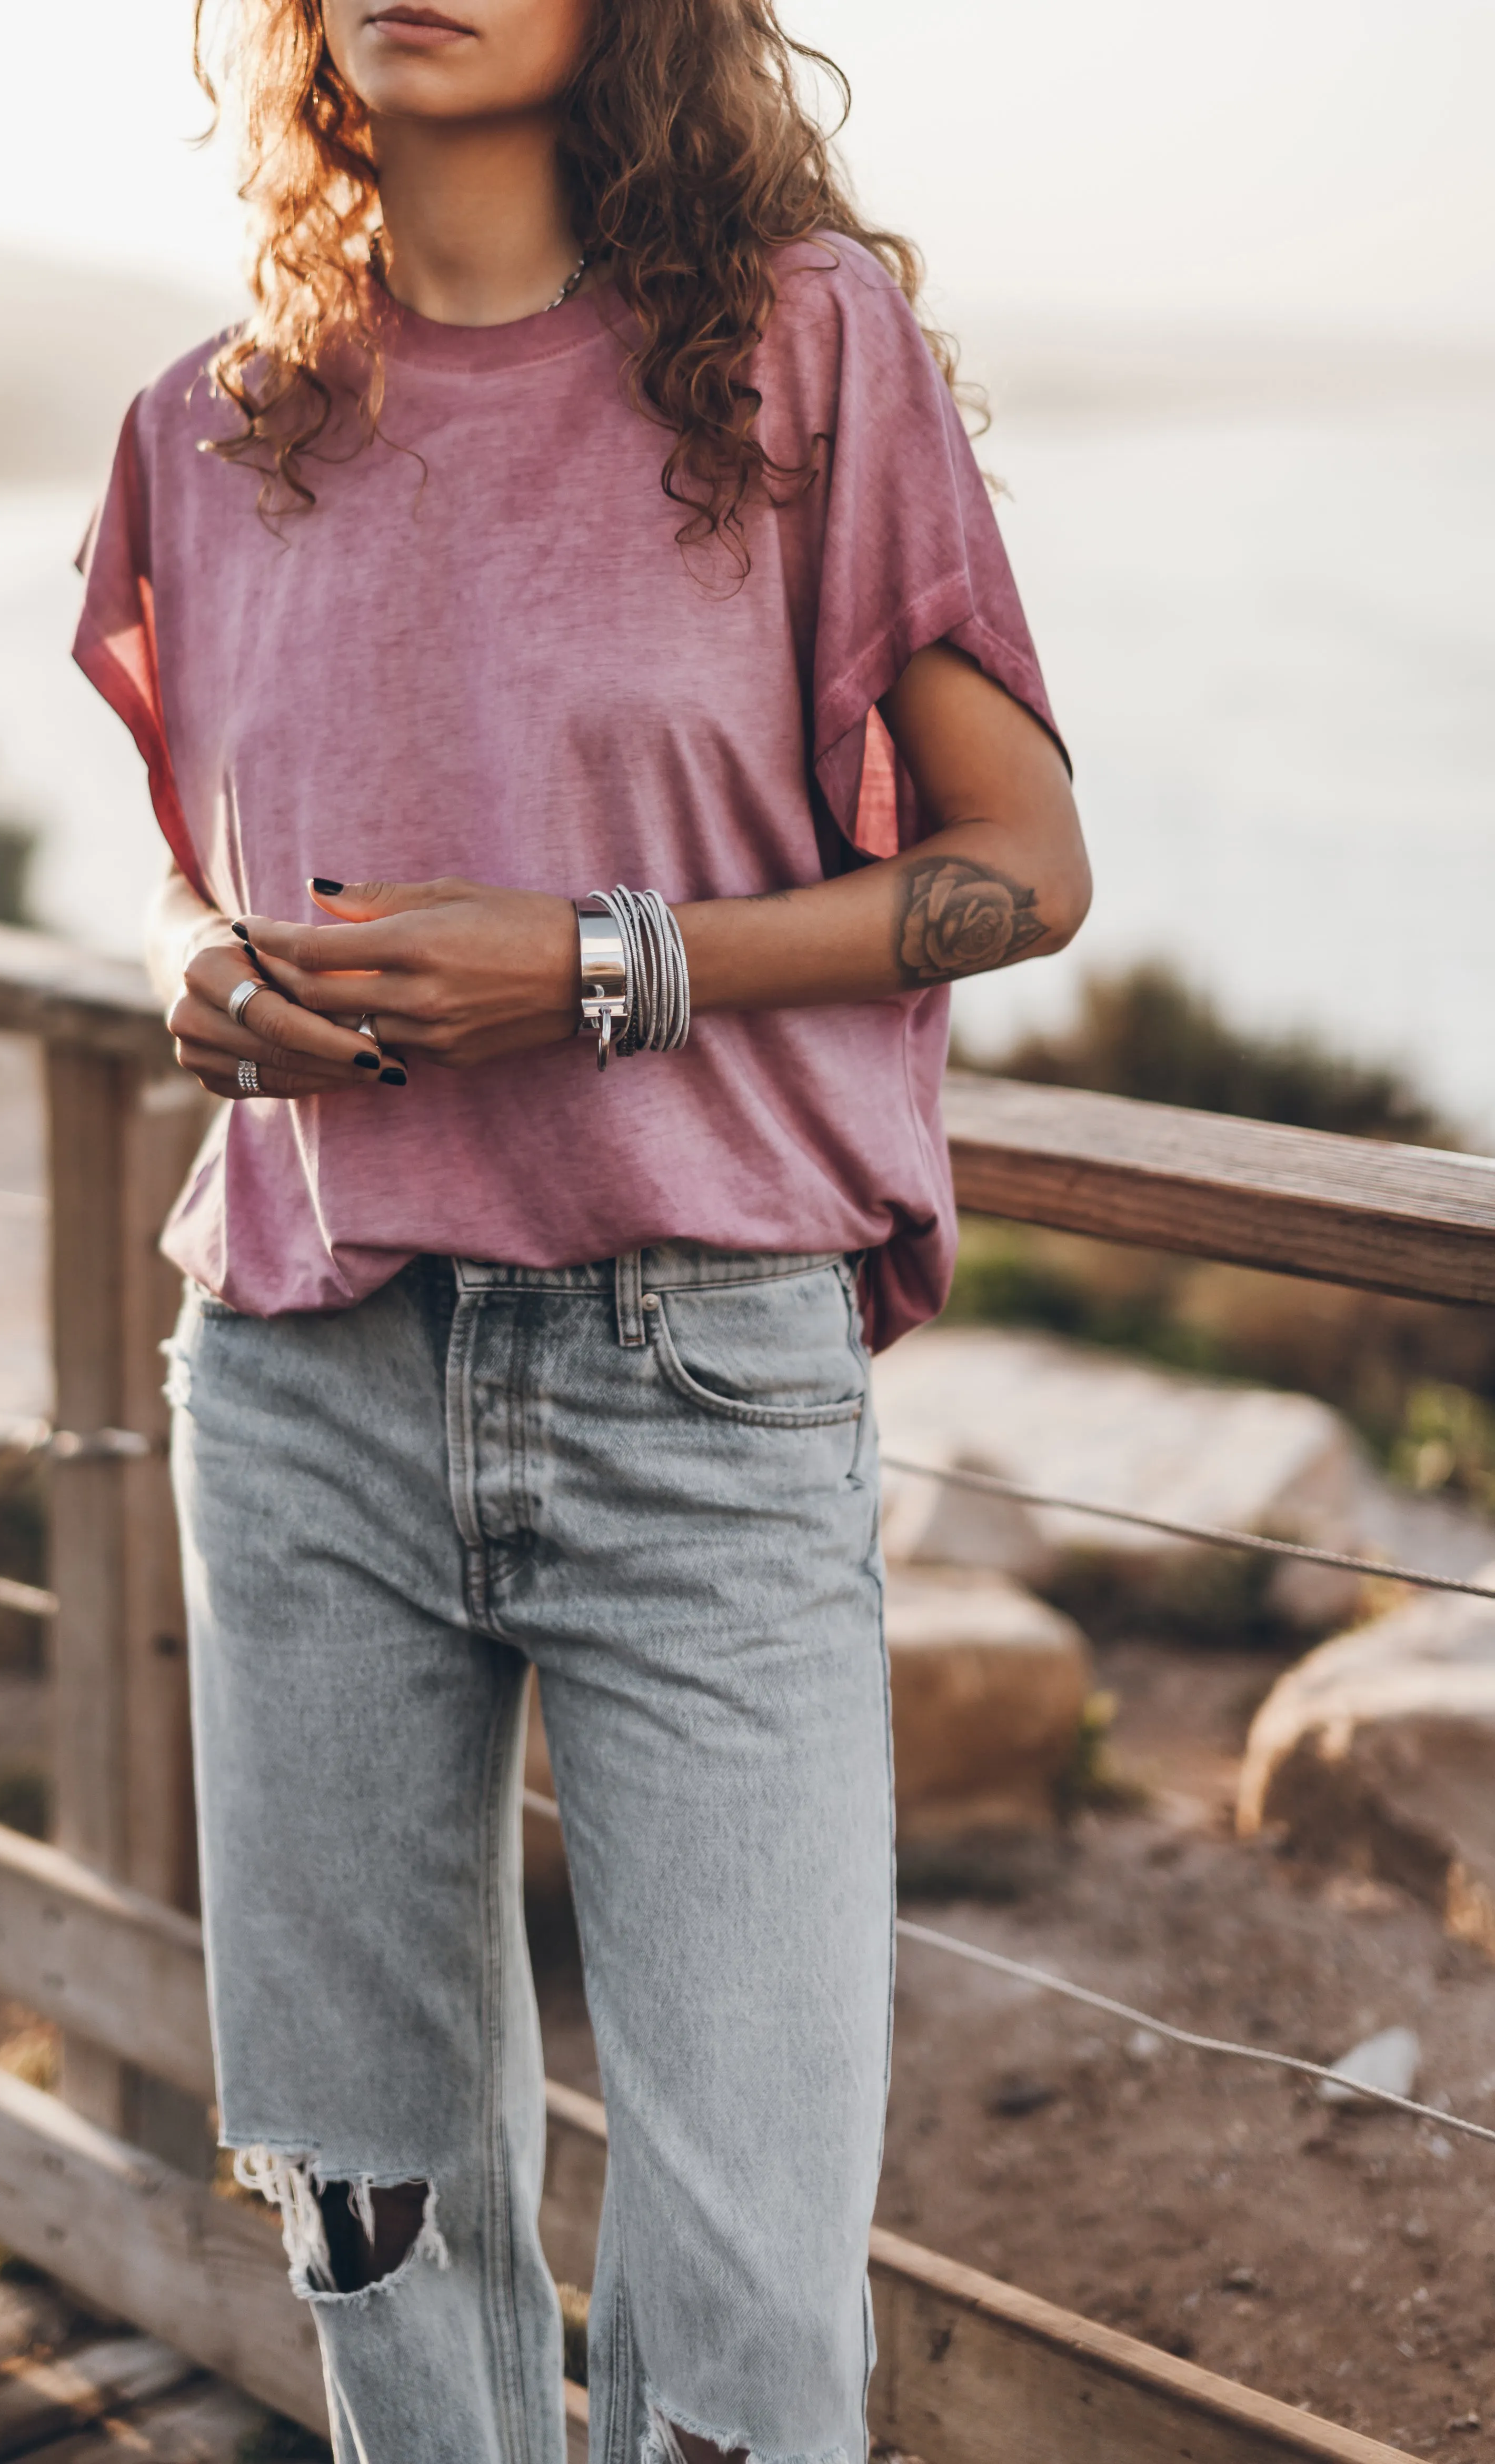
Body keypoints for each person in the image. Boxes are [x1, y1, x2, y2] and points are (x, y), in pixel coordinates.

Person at [74, 3, 1089, 2457]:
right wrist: (194, 976)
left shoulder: (794, 348)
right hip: (306, 1374)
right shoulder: (208, 425)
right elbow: (189, 872)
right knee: (371, 2210)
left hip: (705, 1375)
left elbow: (1022, 869)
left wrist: (603, 961)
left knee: (745, 2311)